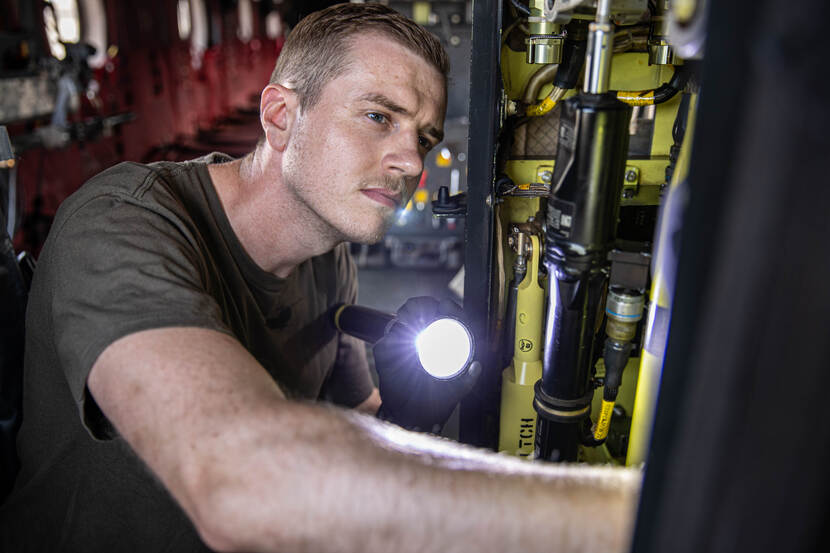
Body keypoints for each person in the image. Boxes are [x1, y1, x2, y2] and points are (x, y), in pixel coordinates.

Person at [0, 3, 641, 552]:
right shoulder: (123, 224)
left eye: (423, 136)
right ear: (281, 115)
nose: (411, 159)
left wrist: (408, 413)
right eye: (377, 117)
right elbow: (239, 479)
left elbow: (355, 420)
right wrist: (633, 517)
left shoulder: (326, 259)